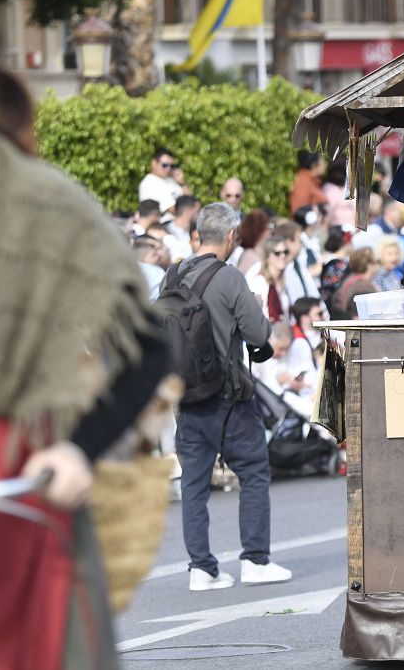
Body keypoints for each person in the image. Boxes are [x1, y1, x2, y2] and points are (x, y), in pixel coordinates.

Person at [0, 64, 170, 669]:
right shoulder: (52, 200)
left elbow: (148, 345)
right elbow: (150, 346)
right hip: (32, 473)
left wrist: (77, 449)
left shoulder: (46, 204)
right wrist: (78, 448)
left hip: (24, 478)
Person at [168, 202, 291, 590]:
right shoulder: (230, 278)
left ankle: (201, 568)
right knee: (254, 471)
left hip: (185, 395)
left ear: (198, 233)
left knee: (193, 483)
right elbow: (257, 335)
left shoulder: (173, 277)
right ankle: (255, 560)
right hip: (227, 395)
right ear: (232, 236)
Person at [246, 233, 293, 323]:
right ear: (267, 257)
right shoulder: (260, 282)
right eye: (277, 253)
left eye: (285, 252)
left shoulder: (281, 281)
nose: (283, 256)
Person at [139, 147, 187, 214]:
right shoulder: (150, 183)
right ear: (154, 163)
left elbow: (191, 202)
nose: (168, 169)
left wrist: (182, 182)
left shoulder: (170, 180)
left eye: (171, 166)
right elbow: (174, 210)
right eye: (165, 165)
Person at [229, 206, 273, 274]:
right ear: (259, 230)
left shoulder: (252, 254)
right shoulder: (251, 257)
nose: (271, 231)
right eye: (269, 226)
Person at [289, 149, 327, 215]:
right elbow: (298, 209)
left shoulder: (313, 181)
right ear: (315, 165)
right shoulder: (303, 182)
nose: (326, 165)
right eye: (323, 162)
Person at [162, 194, 199, 261]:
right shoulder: (164, 231)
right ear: (189, 211)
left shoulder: (195, 233)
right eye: (197, 211)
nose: (199, 215)